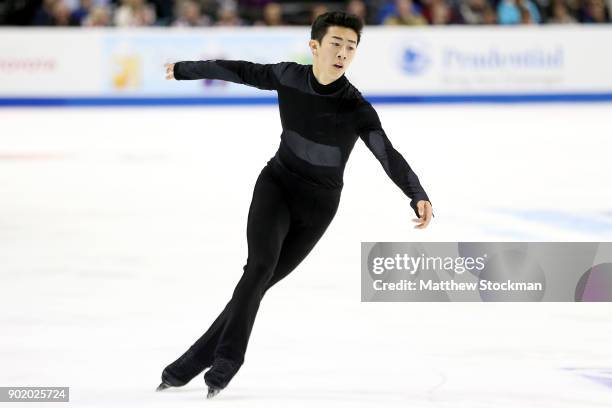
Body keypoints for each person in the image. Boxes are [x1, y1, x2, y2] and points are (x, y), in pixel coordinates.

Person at [156, 11, 434, 399]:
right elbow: (239, 70)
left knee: (257, 284)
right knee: (258, 269)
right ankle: (228, 360)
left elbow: (386, 153)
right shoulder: (289, 76)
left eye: (351, 47)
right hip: (277, 185)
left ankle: (187, 365)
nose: (343, 53)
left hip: (318, 210)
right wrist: (187, 69)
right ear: (315, 46)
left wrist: (416, 192)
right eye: (336, 43)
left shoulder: (356, 108)